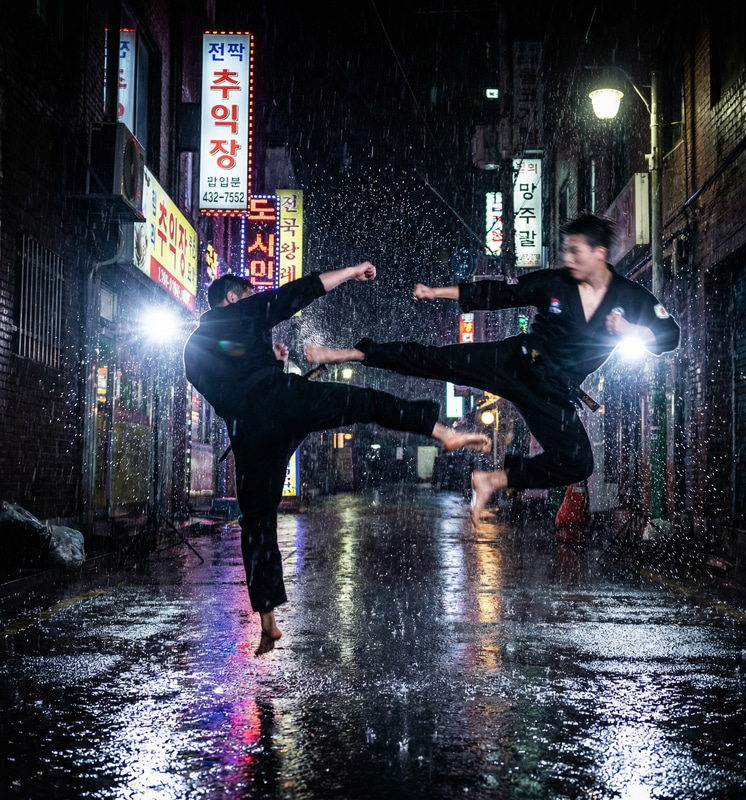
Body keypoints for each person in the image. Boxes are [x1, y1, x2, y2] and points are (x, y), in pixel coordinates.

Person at [183, 263, 490, 654]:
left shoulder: (192, 351)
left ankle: (267, 621)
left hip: (249, 436)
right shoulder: (238, 313)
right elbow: (294, 294)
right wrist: (350, 273)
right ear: (231, 298)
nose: (253, 299)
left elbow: (229, 383)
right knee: (364, 403)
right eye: (247, 295)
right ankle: (442, 433)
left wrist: (267, 362)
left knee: (257, 522)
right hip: (282, 402)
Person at [305, 214, 680, 526]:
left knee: (579, 461)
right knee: (437, 361)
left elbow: (670, 336)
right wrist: (438, 293)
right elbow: (500, 294)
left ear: (599, 253)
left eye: (576, 251)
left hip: (554, 392)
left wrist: (634, 330)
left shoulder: (631, 298)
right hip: (517, 362)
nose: (569, 258)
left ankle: (493, 480)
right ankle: (350, 354)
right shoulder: (554, 282)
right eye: (567, 251)